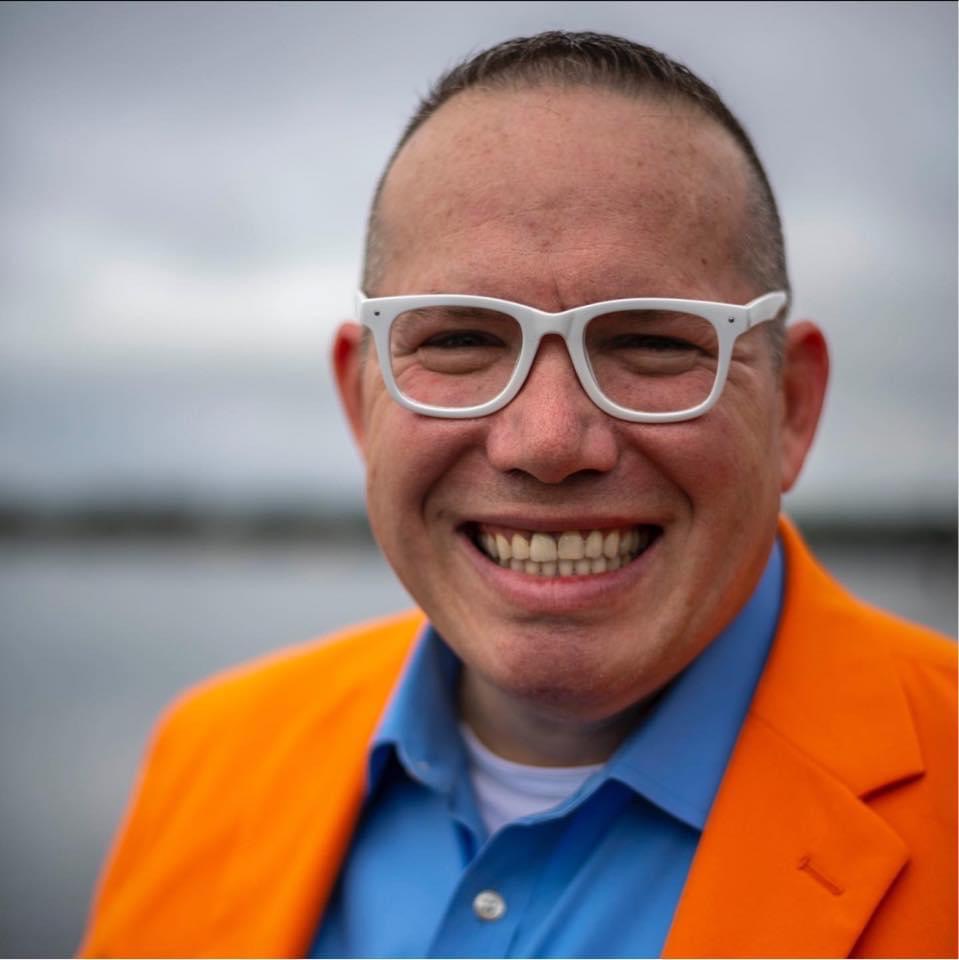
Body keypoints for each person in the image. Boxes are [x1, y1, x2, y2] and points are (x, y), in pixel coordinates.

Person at [80, 31, 956, 959]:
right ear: (359, 400)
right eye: (460, 340)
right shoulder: (209, 754)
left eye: (651, 342)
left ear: (790, 406)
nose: (545, 442)